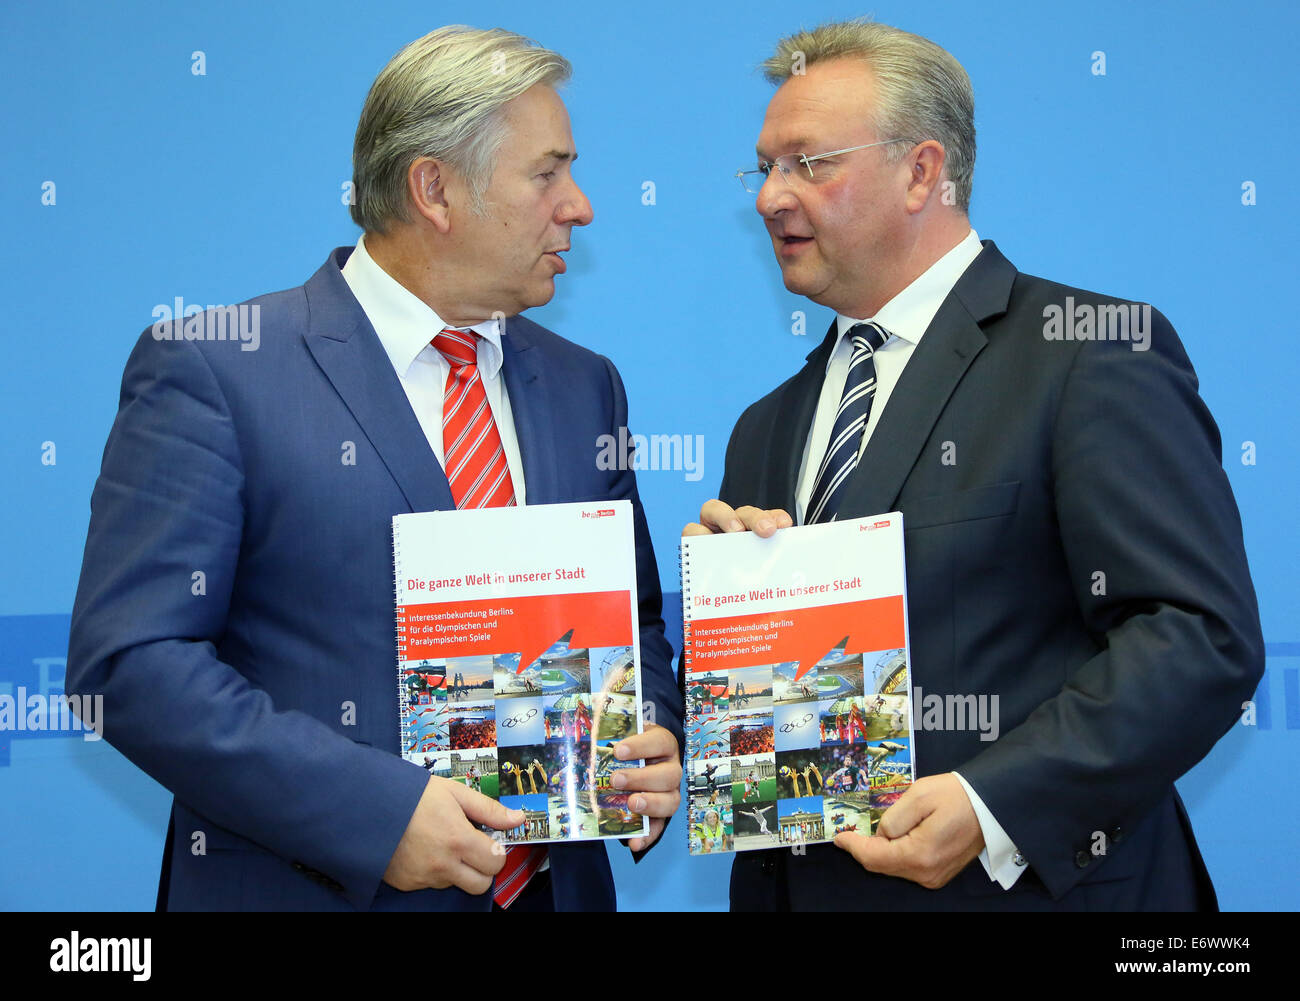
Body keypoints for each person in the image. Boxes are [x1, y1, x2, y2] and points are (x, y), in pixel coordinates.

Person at [68, 25, 682, 913]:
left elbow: (639, 620)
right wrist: (378, 814)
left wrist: (651, 729)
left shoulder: (586, 386)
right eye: (548, 173)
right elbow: (131, 664)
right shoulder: (215, 368)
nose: (579, 205)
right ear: (434, 188)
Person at [686, 19, 1264, 911]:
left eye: (809, 162)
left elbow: (1197, 636)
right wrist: (727, 620)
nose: (770, 197)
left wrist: (993, 803)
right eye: (763, 167)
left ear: (923, 171)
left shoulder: (1089, 354)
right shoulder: (764, 427)